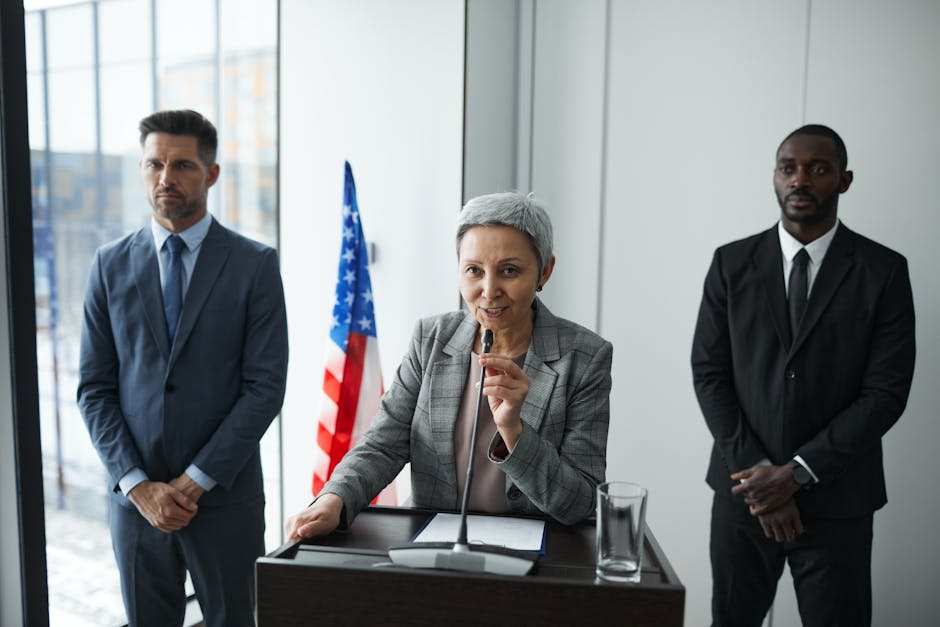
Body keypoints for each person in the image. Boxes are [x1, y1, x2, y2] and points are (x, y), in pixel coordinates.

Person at [285, 192, 612, 540]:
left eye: (509, 271)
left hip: (540, 559)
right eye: (474, 270)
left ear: (545, 269)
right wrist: (334, 498)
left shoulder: (585, 358)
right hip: (433, 552)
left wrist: (515, 433)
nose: (489, 290)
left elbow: (581, 502)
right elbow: (382, 444)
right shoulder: (431, 339)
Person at [691, 124, 916, 626]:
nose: (801, 180)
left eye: (818, 169)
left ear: (845, 179)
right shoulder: (731, 264)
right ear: (774, 177)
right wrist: (761, 484)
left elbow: (886, 393)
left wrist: (796, 473)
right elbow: (709, 374)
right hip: (742, 499)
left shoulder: (883, 272)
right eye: (788, 168)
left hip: (838, 502)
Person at [77, 109, 289, 627]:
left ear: (211, 174)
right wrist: (137, 486)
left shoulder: (254, 265)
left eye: (182, 165)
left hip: (224, 502)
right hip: (136, 504)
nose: (165, 178)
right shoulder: (108, 264)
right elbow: (95, 388)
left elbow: (264, 388)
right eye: (154, 165)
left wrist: (193, 483)